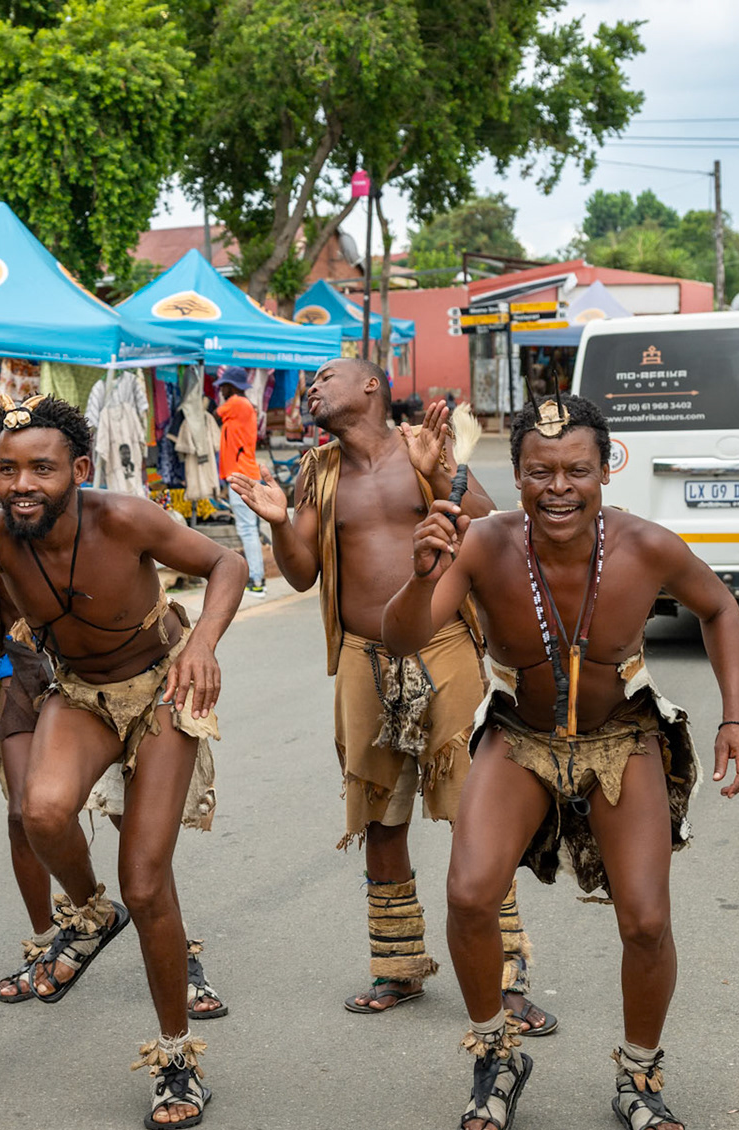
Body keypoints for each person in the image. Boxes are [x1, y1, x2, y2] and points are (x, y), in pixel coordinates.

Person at [382, 392, 739, 1130]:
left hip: (622, 740)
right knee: (468, 895)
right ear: (515, 474)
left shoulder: (647, 546)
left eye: (576, 470)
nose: (559, 487)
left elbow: (719, 608)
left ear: (603, 471)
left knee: (647, 921)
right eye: (539, 471)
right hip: (519, 736)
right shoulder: (482, 544)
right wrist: (423, 577)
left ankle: (640, 1075)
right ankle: (495, 1057)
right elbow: (400, 638)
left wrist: (737, 716)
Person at [0, 394, 246, 1129]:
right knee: (40, 810)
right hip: (81, 692)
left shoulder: (123, 518)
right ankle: (91, 916)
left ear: (80, 469)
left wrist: (203, 645)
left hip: (160, 686)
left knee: (148, 882)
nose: (22, 483)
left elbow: (228, 562)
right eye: (8, 469)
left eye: (42, 468)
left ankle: (177, 1057)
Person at [231, 361, 554, 1034]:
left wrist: (439, 474)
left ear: (371, 387)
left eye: (325, 376)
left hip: (443, 646)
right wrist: (277, 522)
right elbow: (300, 574)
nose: (311, 388)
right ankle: (399, 965)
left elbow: (495, 527)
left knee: (477, 809)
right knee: (379, 815)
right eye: (309, 382)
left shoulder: (423, 448)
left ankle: (504, 973)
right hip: (360, 656)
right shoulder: (316, 472)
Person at [213, 367, 267, 597]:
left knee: (246, 529)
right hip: (244, 472)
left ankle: (256, 580)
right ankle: (256, 577)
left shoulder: (236, 403)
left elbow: (217, 411)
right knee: (250, 528)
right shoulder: (244, 405)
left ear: (232, 387)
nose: (221, 391)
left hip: (240, 474)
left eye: (223, 386)